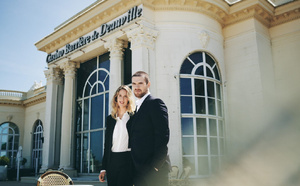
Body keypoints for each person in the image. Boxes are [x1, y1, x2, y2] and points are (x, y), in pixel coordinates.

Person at [130, 71, 170, 186]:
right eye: (134, 84)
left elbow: (163, 135)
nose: (136, 87)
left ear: (148, 84)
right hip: (139, 171)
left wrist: (155, 166)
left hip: (154, 171)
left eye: (140, 83)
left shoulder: (155, 103)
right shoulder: (135, 108)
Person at [99, 85, 135, 186]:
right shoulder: (110, 119)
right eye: (120, 96)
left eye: (125, 96)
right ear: (116, 98)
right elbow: (107, 145)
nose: (122, 99)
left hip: (127, 160)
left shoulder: (133, 118)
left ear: (129, 99)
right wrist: (103, 168)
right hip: (112, 161)